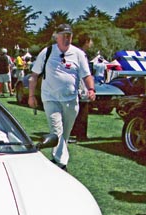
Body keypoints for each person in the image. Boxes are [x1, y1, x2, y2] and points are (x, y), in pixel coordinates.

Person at [28, 24, 96, 170]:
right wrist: (31, 96)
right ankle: (61, 165)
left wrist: (91, 89)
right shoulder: (47, 52)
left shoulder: (78, 54)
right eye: (63, 35)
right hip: (50, 98)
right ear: (56, 36)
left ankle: (56, 159)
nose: (66, 38)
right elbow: (34, 76)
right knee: (56, 130)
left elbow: (87, 75)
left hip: (71, 100)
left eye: (69, 35)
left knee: (64, 134)